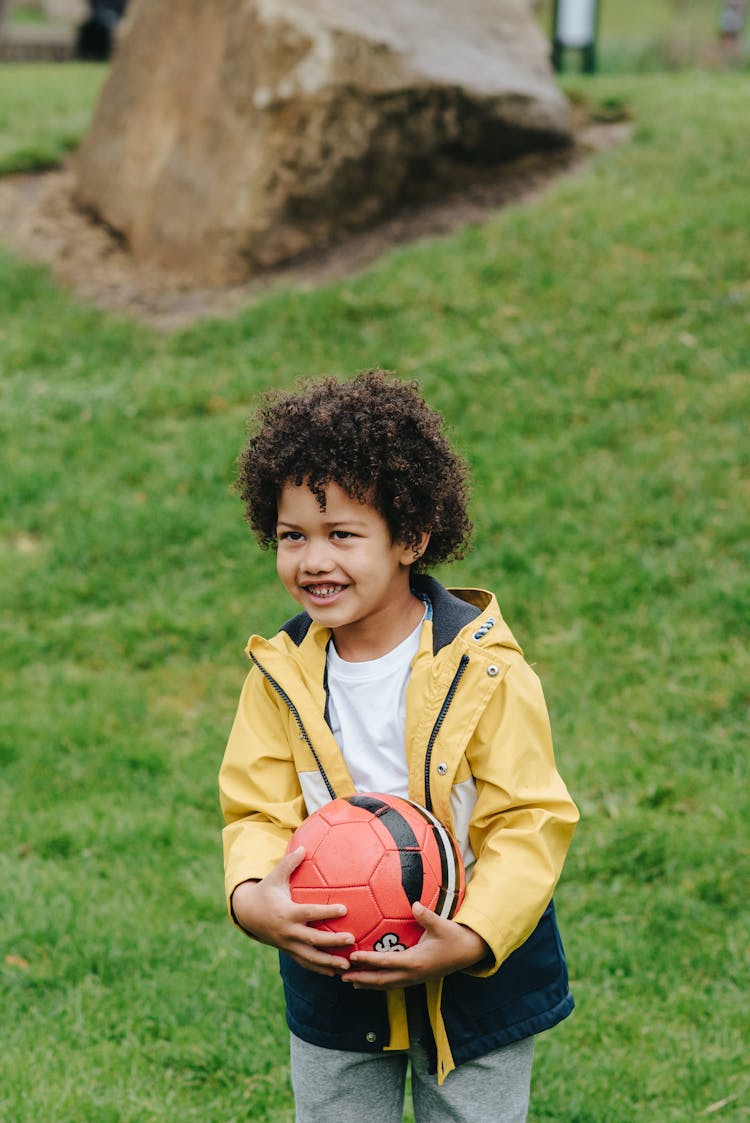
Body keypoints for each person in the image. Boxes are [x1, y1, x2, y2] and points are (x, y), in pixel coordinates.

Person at [219, 369, 579, 1123]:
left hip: (477, 973)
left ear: (411, 537)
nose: (314, 560)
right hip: (332, 962)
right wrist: (253, 895)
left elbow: (530, 819)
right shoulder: (279, 676)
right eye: (293, 536)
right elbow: (256, 809)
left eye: (342, 534)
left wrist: (477, 935)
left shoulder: (484, 667)